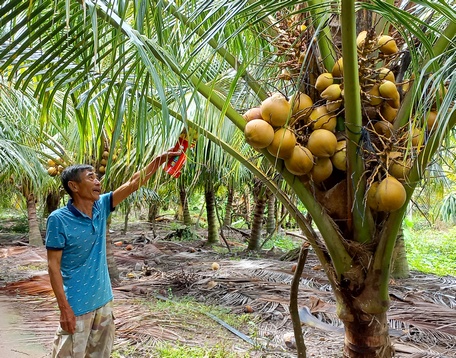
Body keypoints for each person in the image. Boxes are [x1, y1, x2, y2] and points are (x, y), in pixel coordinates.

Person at [45, 149, 180, 358]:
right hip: (77, 306)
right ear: (74, 186)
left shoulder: (101, 207)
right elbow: (53, 267)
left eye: (96, 177)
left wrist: (159, 160)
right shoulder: (58, 219)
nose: (97, 181)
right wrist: (64, 309)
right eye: (90, 178)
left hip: (104, 301)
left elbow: (133, 183)